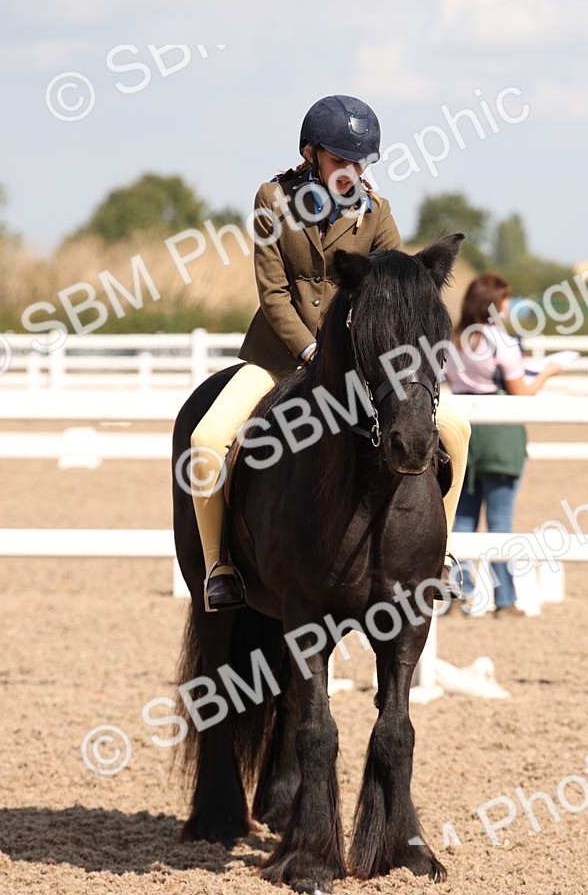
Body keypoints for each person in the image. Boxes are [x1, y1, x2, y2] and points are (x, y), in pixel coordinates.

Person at [191, 94, 472, 611]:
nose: (351, 171)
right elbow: (274, 293)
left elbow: (394, 287)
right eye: (341, 159)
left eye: (359, 161)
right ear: (311, 153)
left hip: (356, 368)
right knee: (207, 440)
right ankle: (220, 564)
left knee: (456, 429)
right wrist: (310, 349)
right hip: (277, 357)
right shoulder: (273, 201)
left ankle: (442, 557)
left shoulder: (376, 211)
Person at [445, 272, 561, 617]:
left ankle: (458, 594)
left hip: (464, 432)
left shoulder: (452, 341)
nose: (509, 306)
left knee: (462, 519)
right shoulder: (503, 342)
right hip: (499, 436)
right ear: (494, 305)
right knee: (500, 521)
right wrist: (547, 373)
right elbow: (520, 392)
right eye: (505, 300)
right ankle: (504, 598)